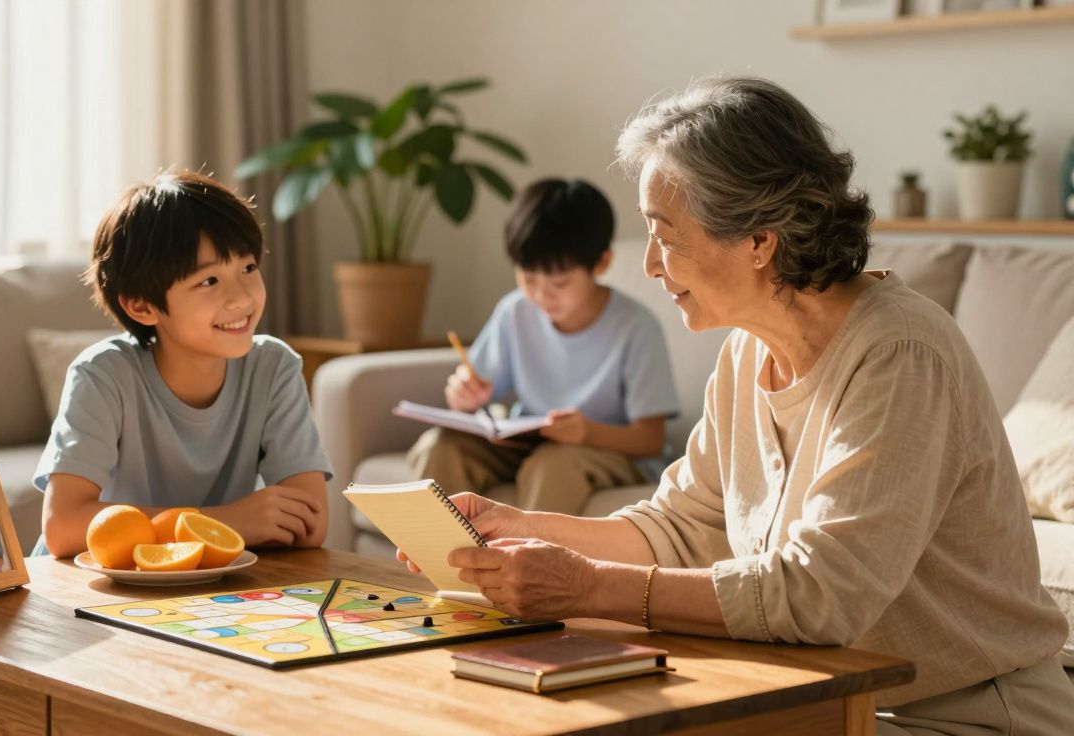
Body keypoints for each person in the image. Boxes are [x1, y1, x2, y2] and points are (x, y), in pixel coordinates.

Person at [401, 77, 1074, 733]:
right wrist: (519, 526)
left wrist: (588, 588)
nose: (650, 266)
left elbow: (821, 596)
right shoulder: (746, 354)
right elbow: (682, 529)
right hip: (818, 695)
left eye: (665, 235)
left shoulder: (899, 353)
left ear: (759, 240)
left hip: (960, 713)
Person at [34, 170, 332, 558]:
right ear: (142, 305)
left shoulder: (274, 368)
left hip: (207, 588)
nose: (242, 298)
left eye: (247, 268)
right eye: (209, 281)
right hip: (97, 588)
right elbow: (63, 526)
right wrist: (225, 522)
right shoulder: (103, 375)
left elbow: (310, 524)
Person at [407, 178, 679, 514]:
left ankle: (522, 565)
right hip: (530, 443)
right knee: (440, 446)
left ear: (602, 263)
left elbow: (650, 439)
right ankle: (439, 561)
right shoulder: (515, 311)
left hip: (608, 454)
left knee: (553, 464)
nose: (540, 294)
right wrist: (464, 394)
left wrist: (586, 432)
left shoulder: (636, 327)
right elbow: (474, 391)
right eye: (528, 278)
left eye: (560, 283)